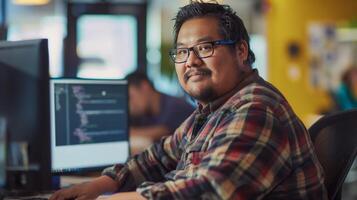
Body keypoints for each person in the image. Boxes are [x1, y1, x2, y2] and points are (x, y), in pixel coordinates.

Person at [50, 1, 328, 199]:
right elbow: (157, 158)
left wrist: (114, 199)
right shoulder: (211, 111)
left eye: (205, 47)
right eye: (182, 52)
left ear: (241, 51)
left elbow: (210, 190)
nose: (191, 62)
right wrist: (102, 184)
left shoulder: (256, 108)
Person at [126, 71, 194, 154]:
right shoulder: (144, 113)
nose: (130, 104)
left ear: (145, 87)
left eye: (131, 97)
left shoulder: (176, 106)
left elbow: (163, 132)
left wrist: (126, 132)